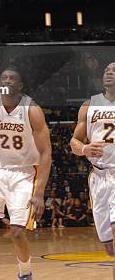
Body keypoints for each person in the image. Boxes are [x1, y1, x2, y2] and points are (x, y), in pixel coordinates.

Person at [0, 68, 52, 280]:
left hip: (24, 174)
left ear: (20, 86)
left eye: (12, 78)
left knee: (17, 233)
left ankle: (25, 273)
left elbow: (45, 152)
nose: (7, 80)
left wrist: (40, 192)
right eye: (3, 77)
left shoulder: (32, 110)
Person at [70, 62, 115, 279]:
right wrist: (86, 148)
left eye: (114, 71)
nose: (109, 73)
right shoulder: (89, 105)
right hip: (99, 176)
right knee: (109, 246)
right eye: (107, 70)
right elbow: (74, 142)